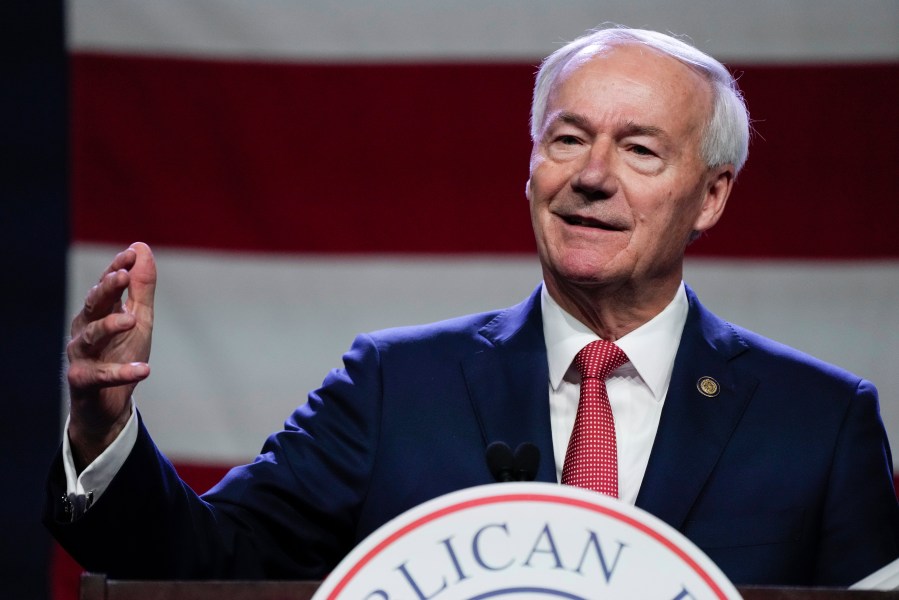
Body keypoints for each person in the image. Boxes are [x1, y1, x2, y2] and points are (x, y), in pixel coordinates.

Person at [46, 26, 899, 587]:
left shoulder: (819, 424)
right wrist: (101, 429)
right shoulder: (394, 386)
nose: (590, 174)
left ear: (711, 196)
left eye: (638, 149)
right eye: (567, 138)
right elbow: (196, 568)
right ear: (531, 168)